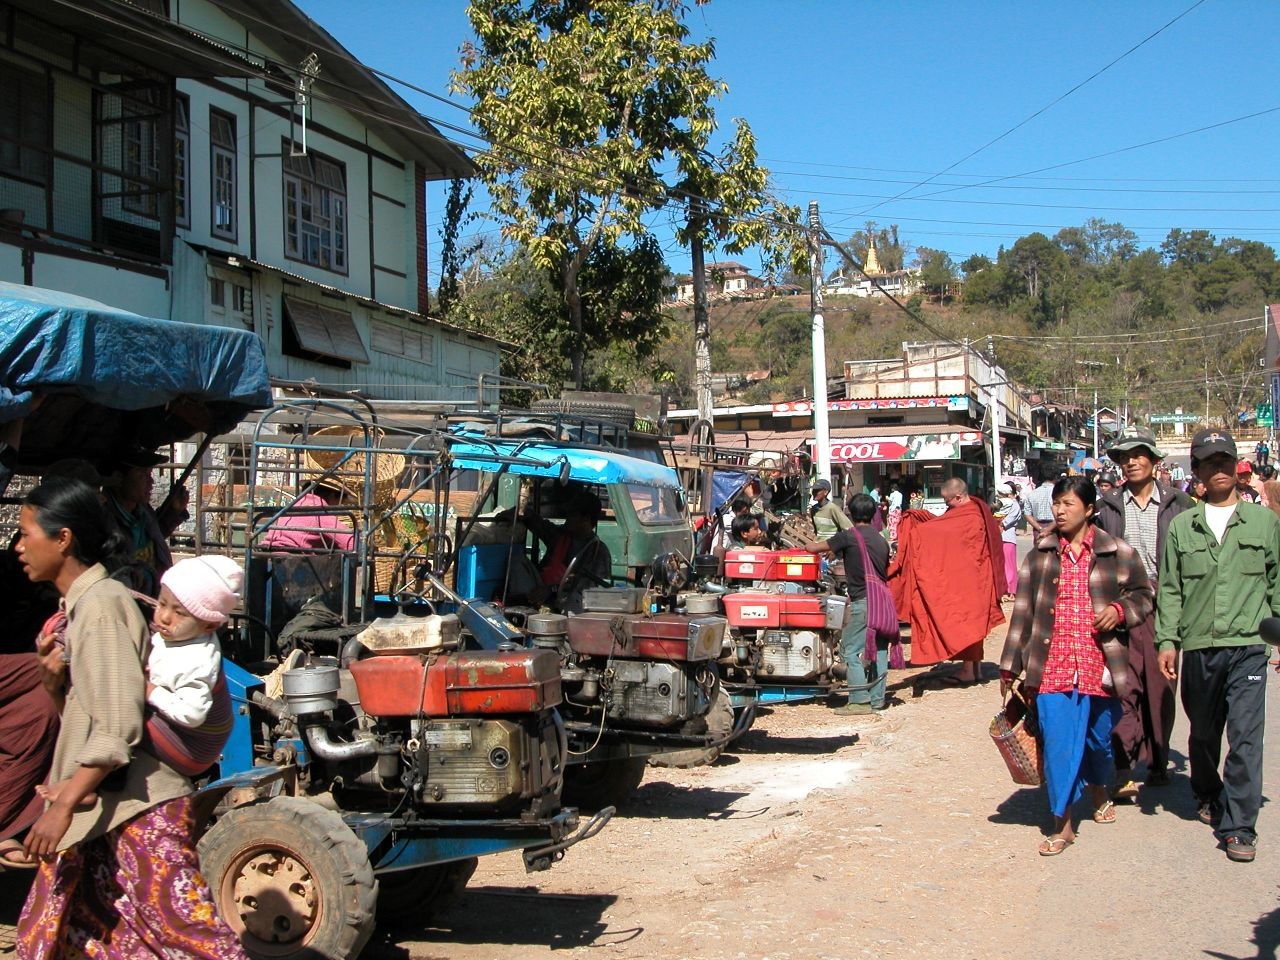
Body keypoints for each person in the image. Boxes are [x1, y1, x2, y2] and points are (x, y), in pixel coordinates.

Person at [13, 477, 246, 956]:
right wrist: (54, 682)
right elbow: (93, 716)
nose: (18, 546)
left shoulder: (102, 607)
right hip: (108, 809)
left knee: (194, 938)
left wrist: (60, 807)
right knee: (92, 938)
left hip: (142, 807)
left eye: (26, 533)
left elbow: (118, 728)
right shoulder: (81, 608)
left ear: (63, 539)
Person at [999, 476, 1153, 857]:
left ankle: (1100, 788)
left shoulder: (1117, 553)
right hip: (1051, 666)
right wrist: (1009, 665)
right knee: (1059, 744)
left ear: (1089, 508)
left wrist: (1119, 611)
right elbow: (1022, 613)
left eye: (1068, 504)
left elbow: (1144, 596)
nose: (1059, 510)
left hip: (1100, 666)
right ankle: (1062, 824)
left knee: (1098, 740)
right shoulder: (1040, 555)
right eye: (1056, 503)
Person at [1155, 429, 1280, 863]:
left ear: (1236, 468)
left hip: (1249, 643)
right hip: (1200, 646)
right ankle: (1207, 790)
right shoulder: (1181, 527)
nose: (1220, 469)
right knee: (1204, 735)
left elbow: (1277, 581)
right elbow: (1170, 589)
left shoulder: (1265, 523)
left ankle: (1240, 826)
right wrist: (1167, 640)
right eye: (1210, 462)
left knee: (1245, 737)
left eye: (1226, 460)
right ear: (1198, 472)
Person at [1093, 427, 1193, 798]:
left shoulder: (1179, 505)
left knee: (1160, 684)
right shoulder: (1107, 505)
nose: (1131, 462)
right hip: (1120, 605)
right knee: (1122, 683)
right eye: (1125, 456)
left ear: (1154, 461)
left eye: (1139, 455)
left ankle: (1158, 758)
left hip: (1165, 603)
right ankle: (1123, 763)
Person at [890, 477, 1006, 686]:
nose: (946, 505)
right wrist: (921, 518)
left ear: (959, 497)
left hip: (972, 579)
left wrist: (917, 532)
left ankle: (970, 670)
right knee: (970, 621)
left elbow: (950, 536)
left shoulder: (971, 516)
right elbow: (946, 529)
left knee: (967, 621)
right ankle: (973, 668)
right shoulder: (971, 511)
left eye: (948, 500)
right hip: (972, 577)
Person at [145, 556, 240, 777]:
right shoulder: (182, 635)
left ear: (209, 625)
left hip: (192, 750)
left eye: (180, 613)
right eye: (161, 603)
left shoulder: (196, 661)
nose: (165, 616)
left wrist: (151, 692)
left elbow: (192, 714)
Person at [805, 493, 891, 715]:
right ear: (873, 515)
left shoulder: (849, 536)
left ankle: (859, 701)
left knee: (851, 650)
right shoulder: (881, 540)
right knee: (879, 650)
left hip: (864, 601)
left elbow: (814, 549)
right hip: (883, 602)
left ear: (850, 514)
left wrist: (806, 542)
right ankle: (877, 699)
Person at [104, 450, 188, 597]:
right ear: (118, 478)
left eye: (150, 474)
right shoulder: (105, 521)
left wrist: (174, 512)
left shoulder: (142, 511)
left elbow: (153, 536)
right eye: (142, 475)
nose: (151, 482)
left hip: (153, 597)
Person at [523, 488, 612, 613]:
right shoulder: (560, 536)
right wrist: (522, 514)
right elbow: (540, 525)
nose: (567, 519)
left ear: (586, 518)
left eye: (572, 515)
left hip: (569, 605)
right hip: (541, 591)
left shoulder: (598, 551)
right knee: (518, 563)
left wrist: (552, 589)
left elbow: (589, 588)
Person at [259, 478, 356, 552]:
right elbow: (351, 543)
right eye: (339, 501)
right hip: (292, 560)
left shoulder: (293, 506)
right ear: (332, 496)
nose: (339, 505)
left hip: (266, 553)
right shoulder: (321, 511)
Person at [994, 482, 1022, 602]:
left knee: (1009, 565)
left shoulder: (1014, 505)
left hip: (1008, 537)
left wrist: (999, 523)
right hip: (1000, 538)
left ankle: (1011, 591)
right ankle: (1004, 590)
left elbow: (1006, 521)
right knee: (1002, 565)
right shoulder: (1002, 505)